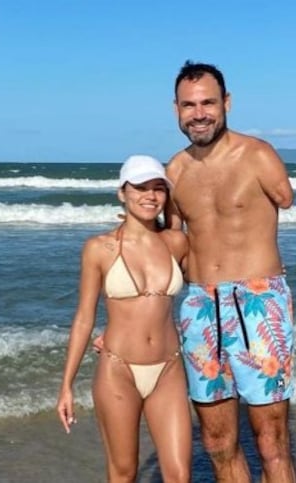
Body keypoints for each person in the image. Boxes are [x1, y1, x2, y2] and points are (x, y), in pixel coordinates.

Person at [166, 61, 296, 482]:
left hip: (258, 299)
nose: (199, 113)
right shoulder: (173, 172)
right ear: (176, 109)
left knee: (271, 440)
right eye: (189, 105)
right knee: (217, 442)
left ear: (227, 102)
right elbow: (171, 246)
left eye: (208, 103)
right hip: (200, 304)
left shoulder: (257, 154)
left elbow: (284, 199)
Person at [56, 155, 192, 483]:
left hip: (169, 370)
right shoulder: (99, 248)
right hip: (118, 371)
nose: (150, 196)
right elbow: (84, 318)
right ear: (122, 192)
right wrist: (66, 386)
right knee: (123, 472)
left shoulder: (176, 242)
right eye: (140, 187)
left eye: (158, 188)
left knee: (179, 475)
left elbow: (208, 287)